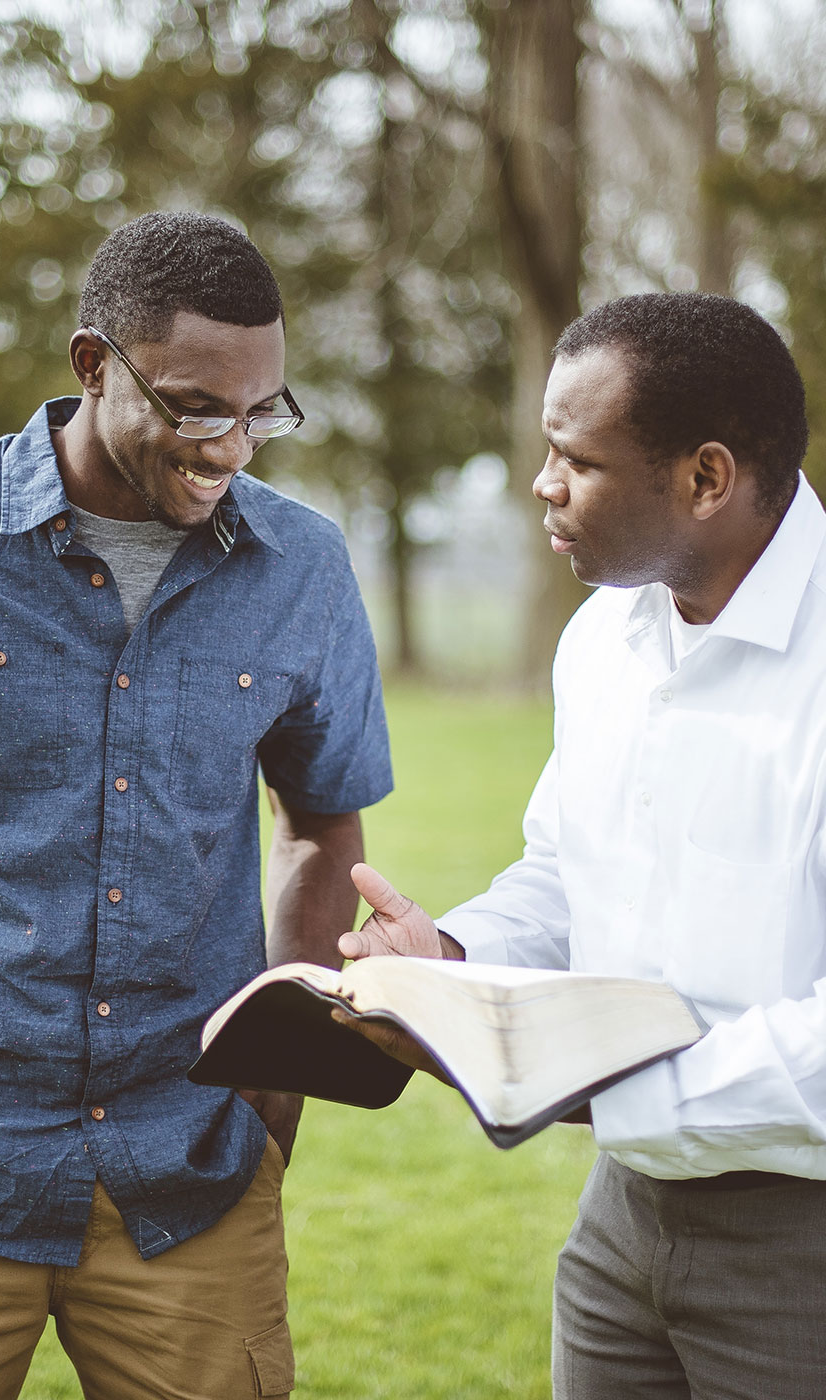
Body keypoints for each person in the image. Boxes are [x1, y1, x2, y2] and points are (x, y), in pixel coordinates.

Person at [0, 210, 392, 1400]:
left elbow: (322, 822)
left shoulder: (306, 568)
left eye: (262, 410)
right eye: (195, 406)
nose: (232, 445)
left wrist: (278, 1075)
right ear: (94, 365)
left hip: (190, 1171)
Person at [336, 291, 826, 1399]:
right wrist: (452, 961)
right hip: (620, 1223)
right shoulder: (605, 634)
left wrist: (589, 1088)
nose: (541, 484)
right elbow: (566, 869)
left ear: (706, 478)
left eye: (575, 459)